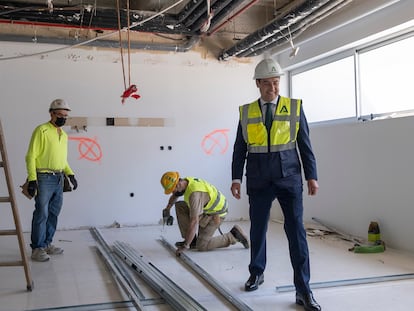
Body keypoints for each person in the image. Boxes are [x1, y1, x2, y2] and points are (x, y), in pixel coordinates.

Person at [230, 59, 321, 311]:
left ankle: (303, 290)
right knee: (258, 229)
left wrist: (311, 176)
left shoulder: (294, 107)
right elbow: (240, 147)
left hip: (289, 178)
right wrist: (236, 178)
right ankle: (256, 273)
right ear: (258, 84)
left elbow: (305, 144)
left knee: (296, 233)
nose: (273, 88)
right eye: (268, 83)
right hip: (259, 179)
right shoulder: (246, 112)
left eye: (276, 82)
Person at [25, 99, 78, 262]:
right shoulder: (41, 130)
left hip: (59, 178)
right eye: (60, 115)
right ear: (51, 114)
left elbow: (63, 159)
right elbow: (31, 156)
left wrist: (70, 174)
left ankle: (47, 243)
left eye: (65, 116)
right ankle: (37, 248)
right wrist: (33, 180)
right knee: (42, 213)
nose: (63, 118)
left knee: (54, 213)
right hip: (43, 177)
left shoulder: (63, 134)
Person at [160, 171, 249, 256]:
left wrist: (185, 246)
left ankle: (233, 236)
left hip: (216, 214)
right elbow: (175, 195)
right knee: (180, 206)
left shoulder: (194, 195)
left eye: (172, 190)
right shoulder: (186, 182)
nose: (172, 192)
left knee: (202, 245)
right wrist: (167, 209)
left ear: (178, 184)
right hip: (206, 209)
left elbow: (194, 222)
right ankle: (192, 241)